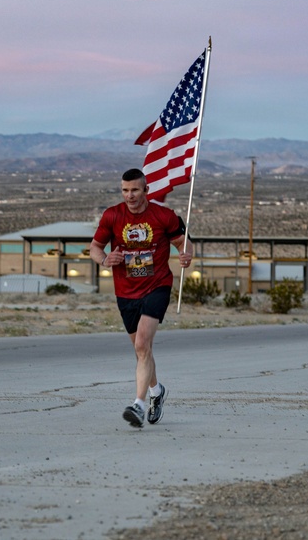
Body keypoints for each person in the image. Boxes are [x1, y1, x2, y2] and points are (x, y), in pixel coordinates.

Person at [90, 168, 193, 428]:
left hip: (157, 285)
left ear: (146, 190)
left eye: (135, 190)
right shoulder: (112, 215)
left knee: (142, 345)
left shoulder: (163, 215)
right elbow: (95, 247)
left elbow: (184, 242)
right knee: (141, 351)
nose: (129, 195)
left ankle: (138, 405)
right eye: (125, 190)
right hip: (125, 292)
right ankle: (157, 391)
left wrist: (186, 254)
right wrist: (104, 260)